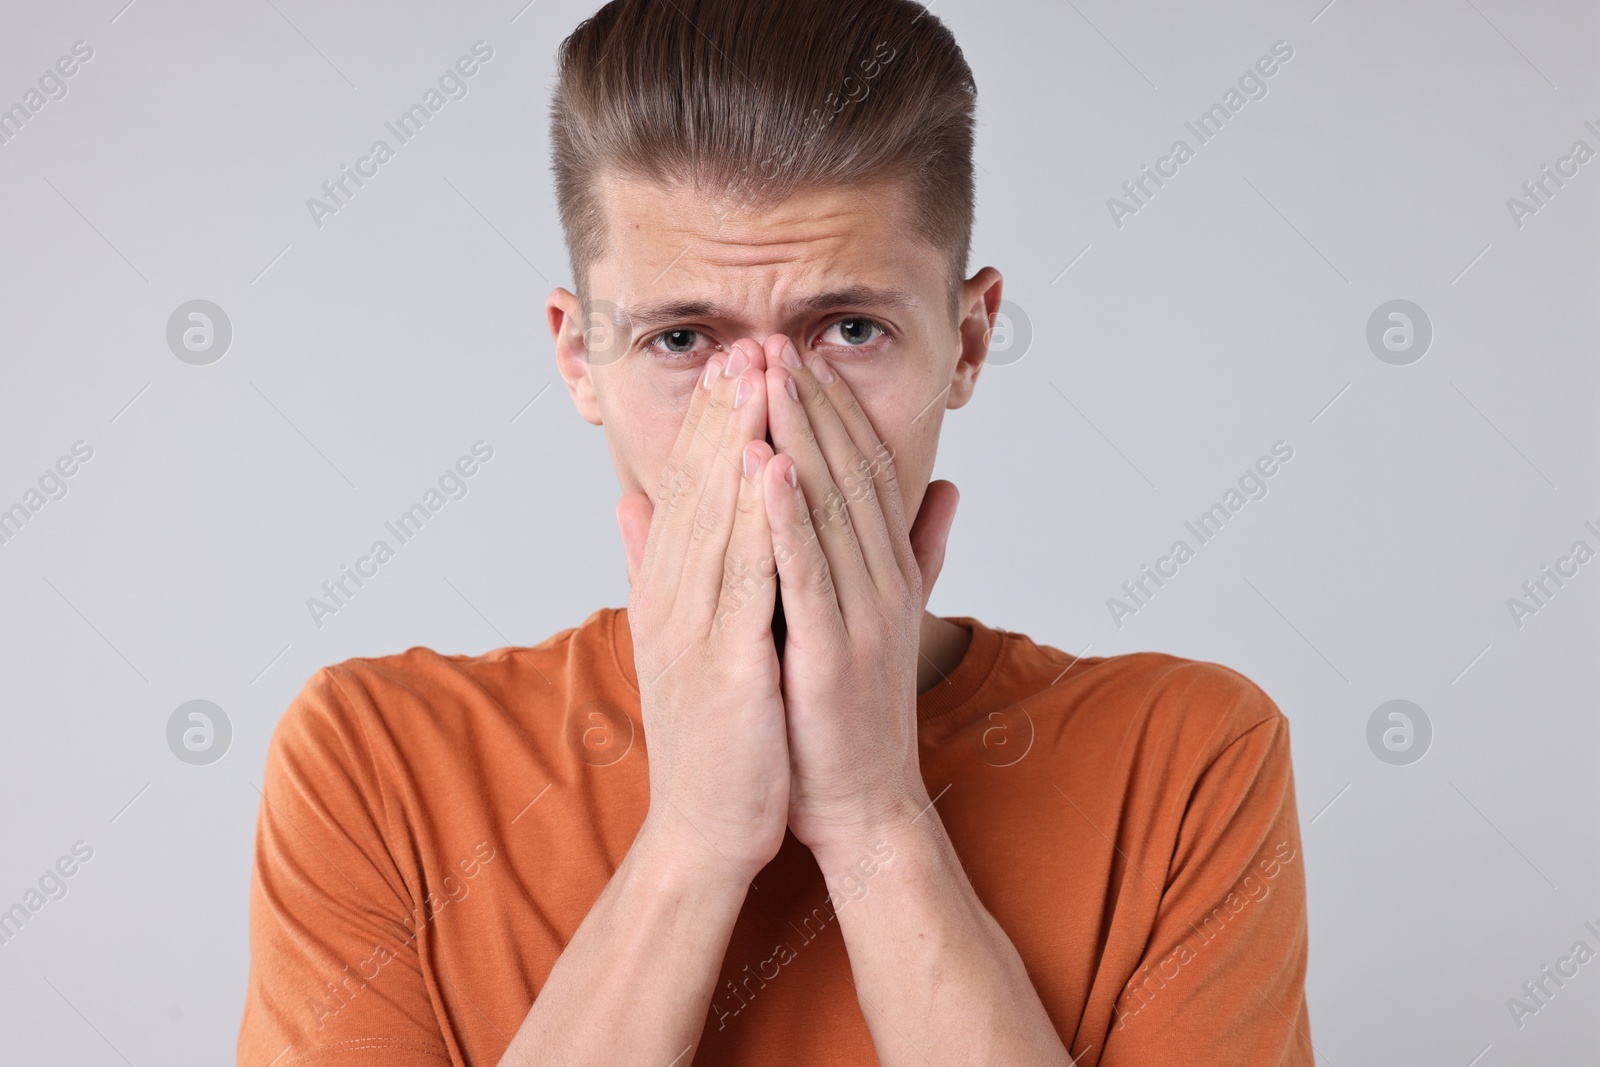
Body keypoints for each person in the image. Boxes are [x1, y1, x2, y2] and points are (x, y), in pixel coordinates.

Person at [238, 1, 1313, 1063]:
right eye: (681, 337)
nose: (765, 423)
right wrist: (691, 843)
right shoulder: (373, 763)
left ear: (968, 343)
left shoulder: (1185, 761)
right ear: (580, 360)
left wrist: (876, 819)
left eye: (849, 330)